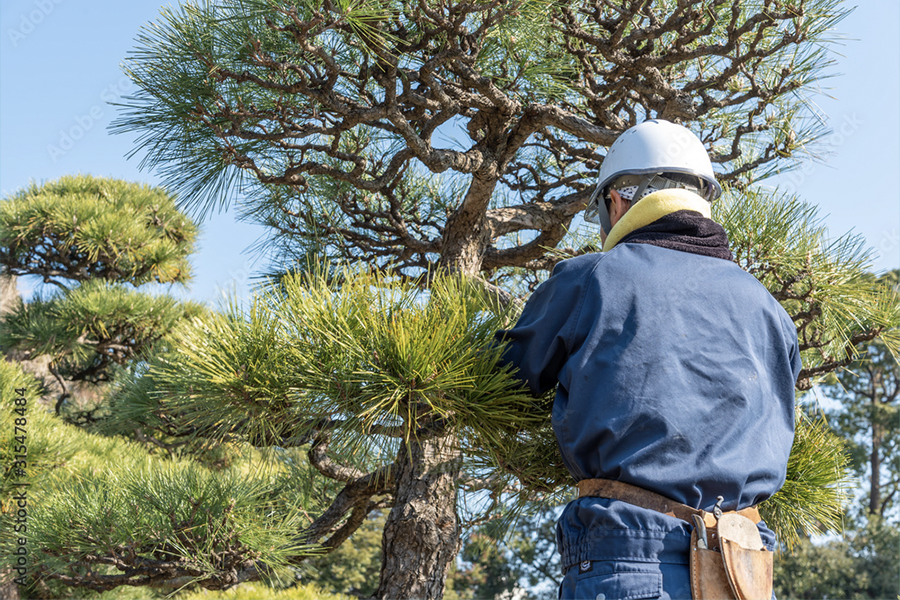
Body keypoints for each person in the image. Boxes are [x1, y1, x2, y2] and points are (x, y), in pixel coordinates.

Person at [495, 119, 800, 600]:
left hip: (632, 560)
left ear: (616, 201)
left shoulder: (590, 278)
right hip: (743, 573)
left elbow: (502, 378)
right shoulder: (770, 309)